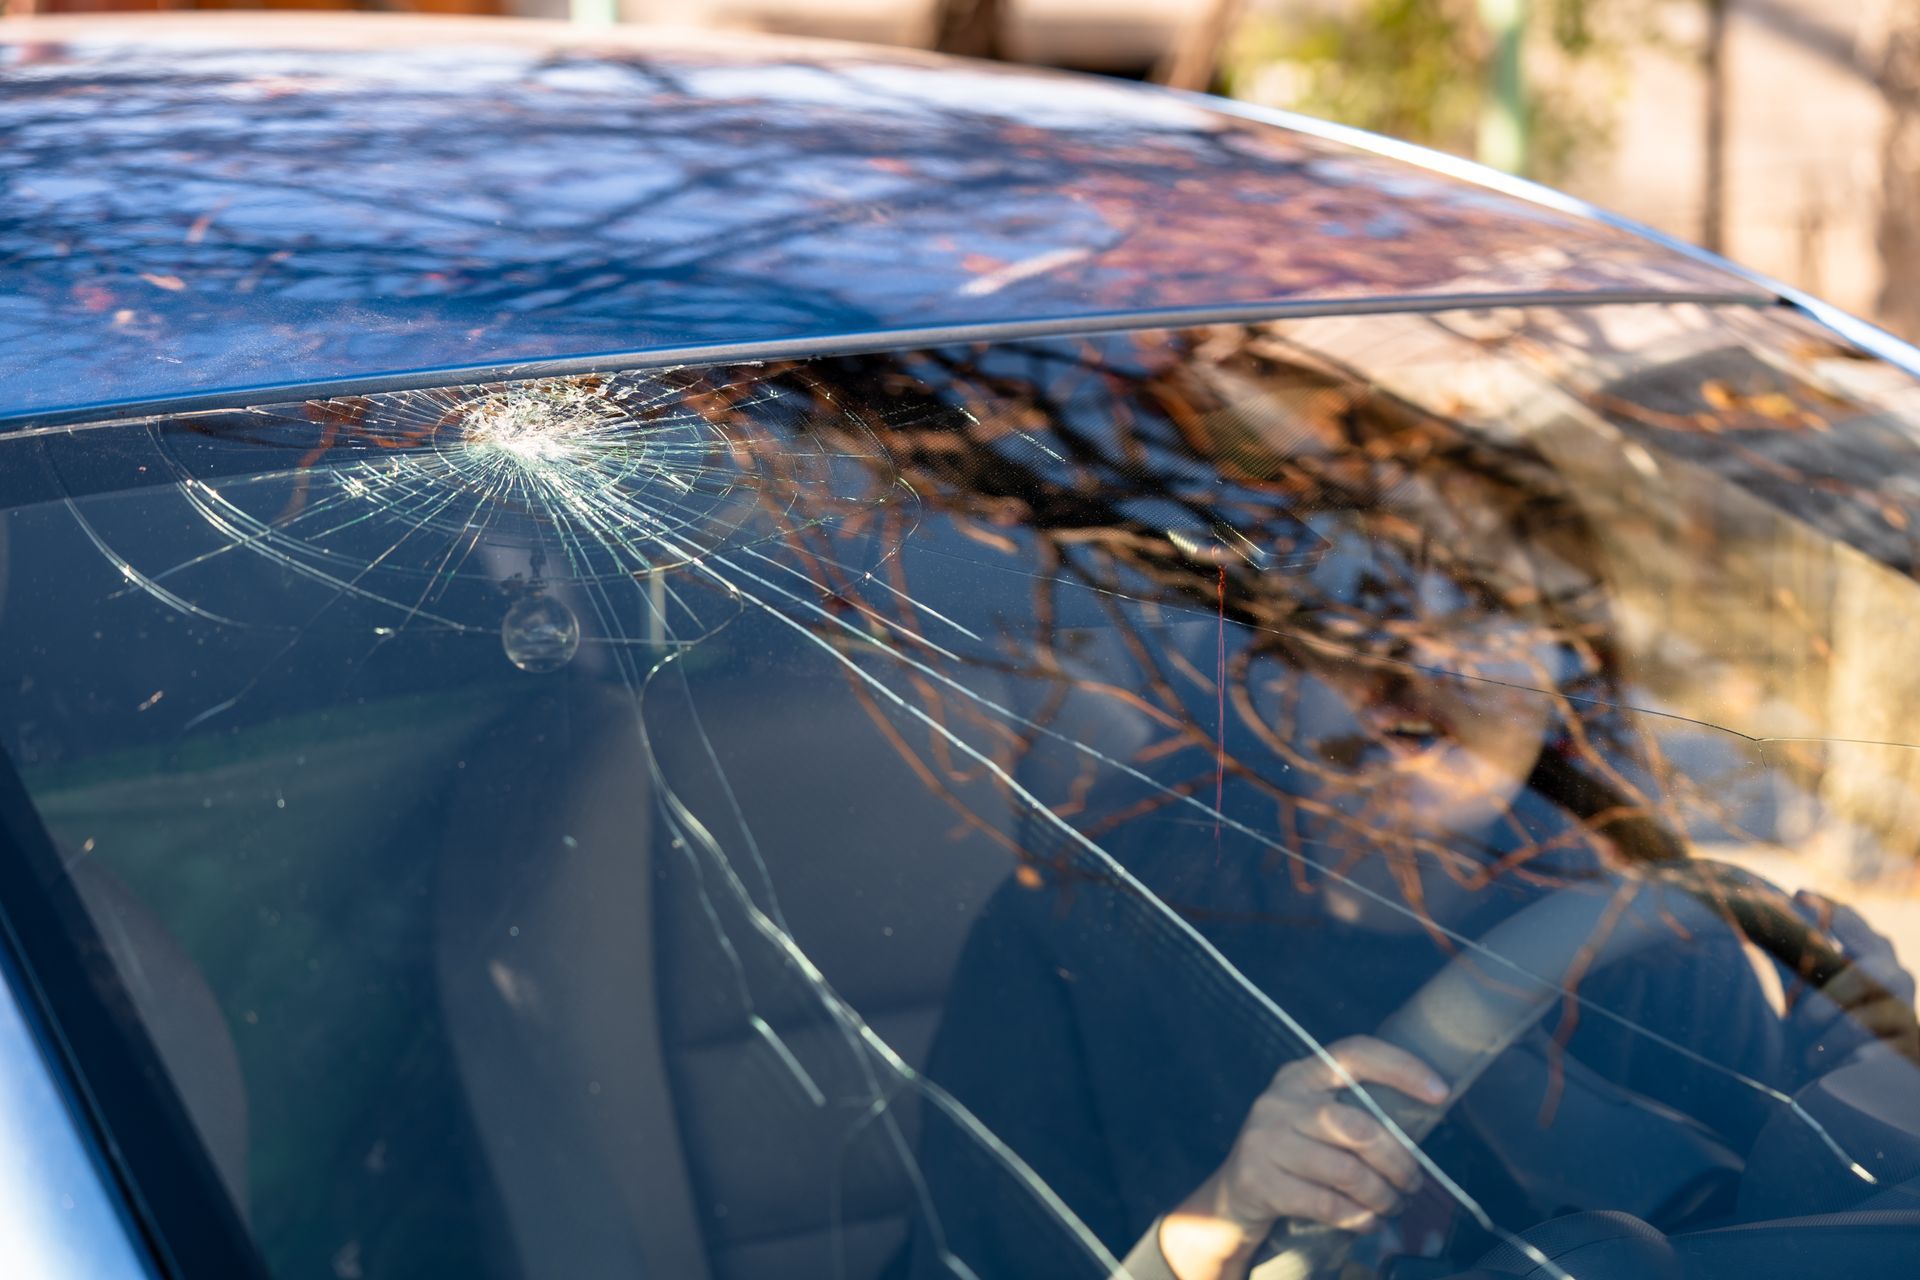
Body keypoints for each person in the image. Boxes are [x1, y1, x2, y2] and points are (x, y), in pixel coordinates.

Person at [900, 405, 1917, 1280]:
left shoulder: (1648, 934)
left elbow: (1756, 1230)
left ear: (1559, 665)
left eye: (1483, 613)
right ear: (1266, 664)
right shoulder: (1085, 941)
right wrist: (1222, 1210)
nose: (1420, 672)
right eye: (1356, 615)